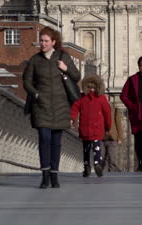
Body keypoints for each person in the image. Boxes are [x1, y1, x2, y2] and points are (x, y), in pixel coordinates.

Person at [23, 26, 81, 189]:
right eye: (41, 41)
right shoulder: (35, 60)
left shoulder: (63, 57)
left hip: (61, 106)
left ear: (54, 42)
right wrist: (35, 94)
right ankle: (45, 175)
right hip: (41, 106)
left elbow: (77, 76)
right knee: (44, 138)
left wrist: (66, 68)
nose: (42, 44)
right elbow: (26, 81)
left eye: (46, 41)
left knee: (56, 141)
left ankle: (54, 175)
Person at [70, 75, 111, 177]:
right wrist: (107, 127)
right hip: (96, 128)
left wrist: (72, 119)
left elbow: (75, 108)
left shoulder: (82, 98)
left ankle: (87, 165)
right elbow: (107, 113)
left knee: (86, 149)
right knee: (97, 148)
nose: (91, 89)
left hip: (85, 128)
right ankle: (97, 163)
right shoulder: (101, 98)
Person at [120, 56, 142, 172]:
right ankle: (140, 162)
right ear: (138, 66)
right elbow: (123, 96)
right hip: (137, 113)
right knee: (138, 138)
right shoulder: (132, 79)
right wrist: (132, 106)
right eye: (141, 65)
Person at [102, 94, 123, 172]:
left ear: (109, 99)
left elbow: (119, 125)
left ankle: (112, 173)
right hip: (101, 137)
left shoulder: (115, 110)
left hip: (112, 137)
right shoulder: (98, 109)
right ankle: (101, 173)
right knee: (101, 157)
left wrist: (120, 137)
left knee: (112, 157)